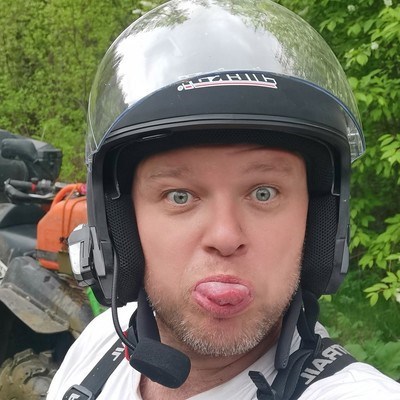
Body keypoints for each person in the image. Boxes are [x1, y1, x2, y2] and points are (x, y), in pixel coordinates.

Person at [47, 1, 400, 399]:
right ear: (121, 226)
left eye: (264, 193)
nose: (226, 237)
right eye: (180, 195)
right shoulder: (97, 348)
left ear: (318, 221)